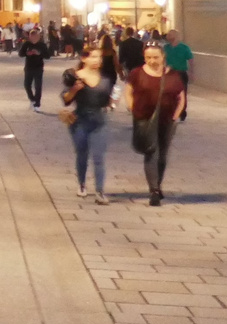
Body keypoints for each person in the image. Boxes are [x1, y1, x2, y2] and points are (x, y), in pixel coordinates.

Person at [124, 44, 187, 206]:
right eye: (148, 57)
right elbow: (128, 91)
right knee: (151, 151)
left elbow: (181, 97)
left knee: (163, 154)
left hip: (167, 120)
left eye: (155, 57)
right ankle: (154, 190)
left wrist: (175, 116)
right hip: (145, 118)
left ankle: (158, 184)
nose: (152, 61)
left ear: (163, 57)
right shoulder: (137, 73)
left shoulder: (173, 75)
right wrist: (133, 109)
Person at [60, 45, 115, 203]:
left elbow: (108, 101)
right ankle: (82, 184)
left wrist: (112, 103)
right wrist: (74, 90)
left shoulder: (106, 79)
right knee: (82, 153)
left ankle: (100, 190)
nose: (97, 60)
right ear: (84, 58)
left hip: (99, 120)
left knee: (98, 156)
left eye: (99, 57)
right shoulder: (75, 76)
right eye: (93, 56)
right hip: (79, 120)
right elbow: (65, 99)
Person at [163, 30, 195, 121]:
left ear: (175, 36)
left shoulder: (184, 48)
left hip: (181, 72)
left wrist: (191, 72)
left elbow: (191, 60)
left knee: (182, 93)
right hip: (169, 73)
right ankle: (172, 109)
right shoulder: (166, 48)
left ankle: (182, 111)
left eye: (170, 35)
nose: (168, 36)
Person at [18, 27, 52, 109]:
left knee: (38, 86)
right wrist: (27, 53)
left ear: (38, 36)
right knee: (27, 85)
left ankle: (37, 103)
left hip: (38, 67)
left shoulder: (42, 45)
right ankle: (32, 98)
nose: (34, 38)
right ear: (29, 37)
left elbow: (47, 56)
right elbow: (20, 54)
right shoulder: (26, 44)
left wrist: (39, 53)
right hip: (29, 67)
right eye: (32, 36)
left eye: (36, 36)